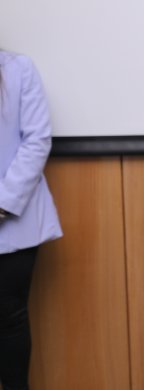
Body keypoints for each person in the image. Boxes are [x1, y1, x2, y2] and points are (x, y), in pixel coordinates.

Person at [0, 50, 63, 390]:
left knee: (9, 317)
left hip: (11, 221)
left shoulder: (18, 69)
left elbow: (36, 141)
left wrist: (2, 204)